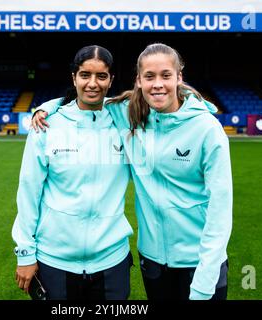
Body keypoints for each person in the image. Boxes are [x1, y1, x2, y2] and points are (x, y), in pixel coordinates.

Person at [33, 43, 233, 300]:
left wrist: (205, 280)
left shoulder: (207, 129)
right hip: (152, 260)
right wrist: (47, 107)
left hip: (200, 262)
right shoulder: (129, 115)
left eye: (165, 75)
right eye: (149, 76)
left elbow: (220, 210)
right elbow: (88, 96)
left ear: (179, 77)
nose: (157, 84)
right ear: (139, 81)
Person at [12, 45, 134, 300]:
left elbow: (167, 97)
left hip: (111, 260)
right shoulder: (47, 125)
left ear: (111, 80)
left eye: (101, 76)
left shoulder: (125, 122)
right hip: (54, 260)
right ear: (73, 78)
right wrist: (25, 252)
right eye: (85, 75)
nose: (93, 83)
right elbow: (28, 192)